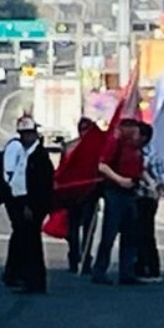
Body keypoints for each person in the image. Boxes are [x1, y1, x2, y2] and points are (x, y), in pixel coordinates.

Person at [1, 115, 54, 294]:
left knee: (32, 245)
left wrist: (31, 206)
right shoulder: (24, 152)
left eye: (29, 134)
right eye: (23, 134)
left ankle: (35, 281)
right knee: (25, 242)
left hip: (31, 204)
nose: (25, 137)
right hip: (21, 201)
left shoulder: (39, 156)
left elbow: (41, 185)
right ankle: (24, 277)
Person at [92, 118, 144, 286]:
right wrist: (119, 180)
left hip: (131, 192)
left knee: (131, 234)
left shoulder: (135, 148)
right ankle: (100, 271)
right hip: (115, 192)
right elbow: (102, 166)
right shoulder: (115, 144)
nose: (137, 132)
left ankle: (127, 272)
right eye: (133, 128)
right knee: (110, 233)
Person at [65, 117, 100, 274]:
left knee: (84, 228)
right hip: (77, 193)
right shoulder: (72, 147)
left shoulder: (71, 147)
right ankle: (77, 257)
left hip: (86, 193)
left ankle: (82, 258)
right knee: (76, 229)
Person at [135, 122, 164, 283]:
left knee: (146, 233)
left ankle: (153, 268)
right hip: (136, 196)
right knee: (136, 233)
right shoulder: (133, 151)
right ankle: (139, 267)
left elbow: (161, 178)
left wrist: (154, 186)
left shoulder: (152, 155)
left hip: (147, 197)